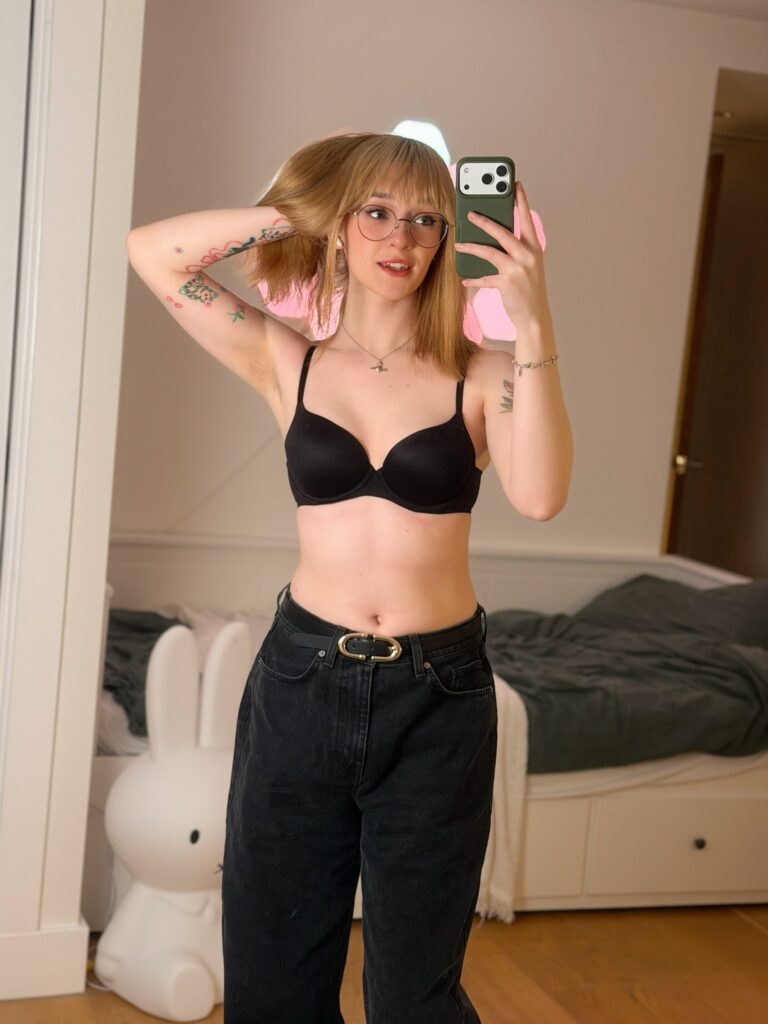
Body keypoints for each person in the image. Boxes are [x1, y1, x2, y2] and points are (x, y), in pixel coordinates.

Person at [125, 131, 572, 1023]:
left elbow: (541, 496)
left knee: (414, 997)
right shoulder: (288, 359)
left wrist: (535, 321)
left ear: (449, 238)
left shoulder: (484, 375)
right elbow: (154, 253)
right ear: (339, 224)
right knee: (273, 983)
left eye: (425, 219)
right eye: (375, 213)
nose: (399, 237)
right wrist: (306, 210)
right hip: (302, 683)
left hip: (437, 698)